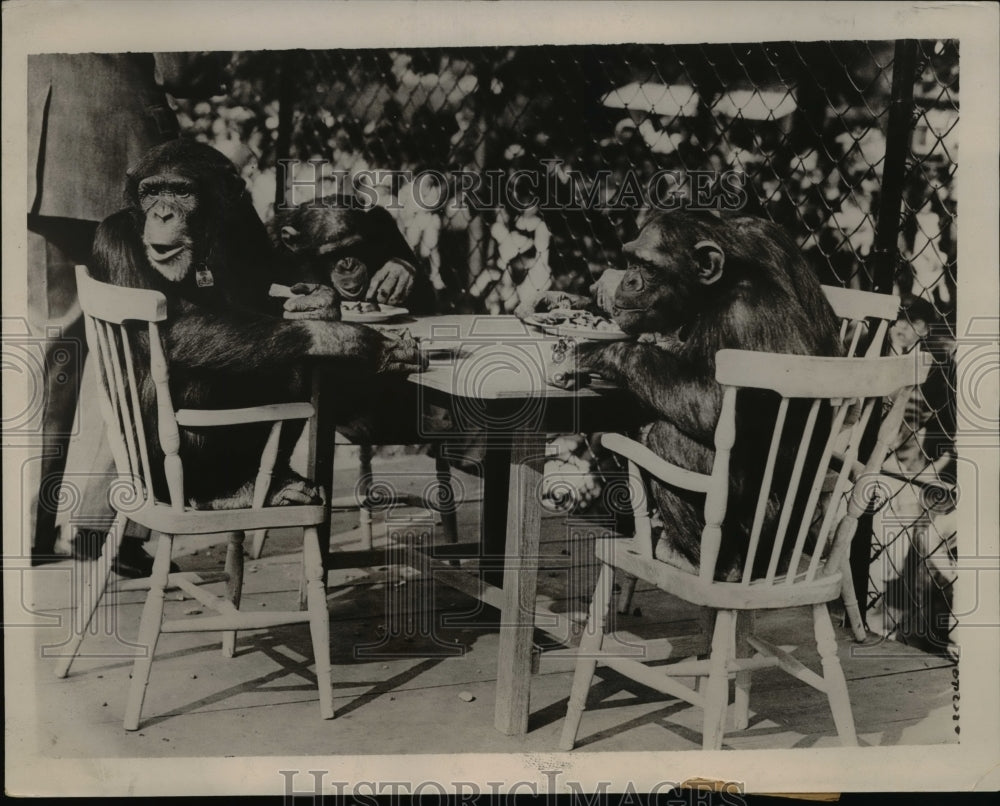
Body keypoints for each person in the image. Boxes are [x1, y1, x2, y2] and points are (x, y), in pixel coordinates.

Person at [26, 52, 226, 574]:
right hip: (120, 151)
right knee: (137, 338)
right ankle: (102, 528)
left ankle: (27, 529)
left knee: (50, 343)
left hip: (31, 145)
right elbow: (180, 69)